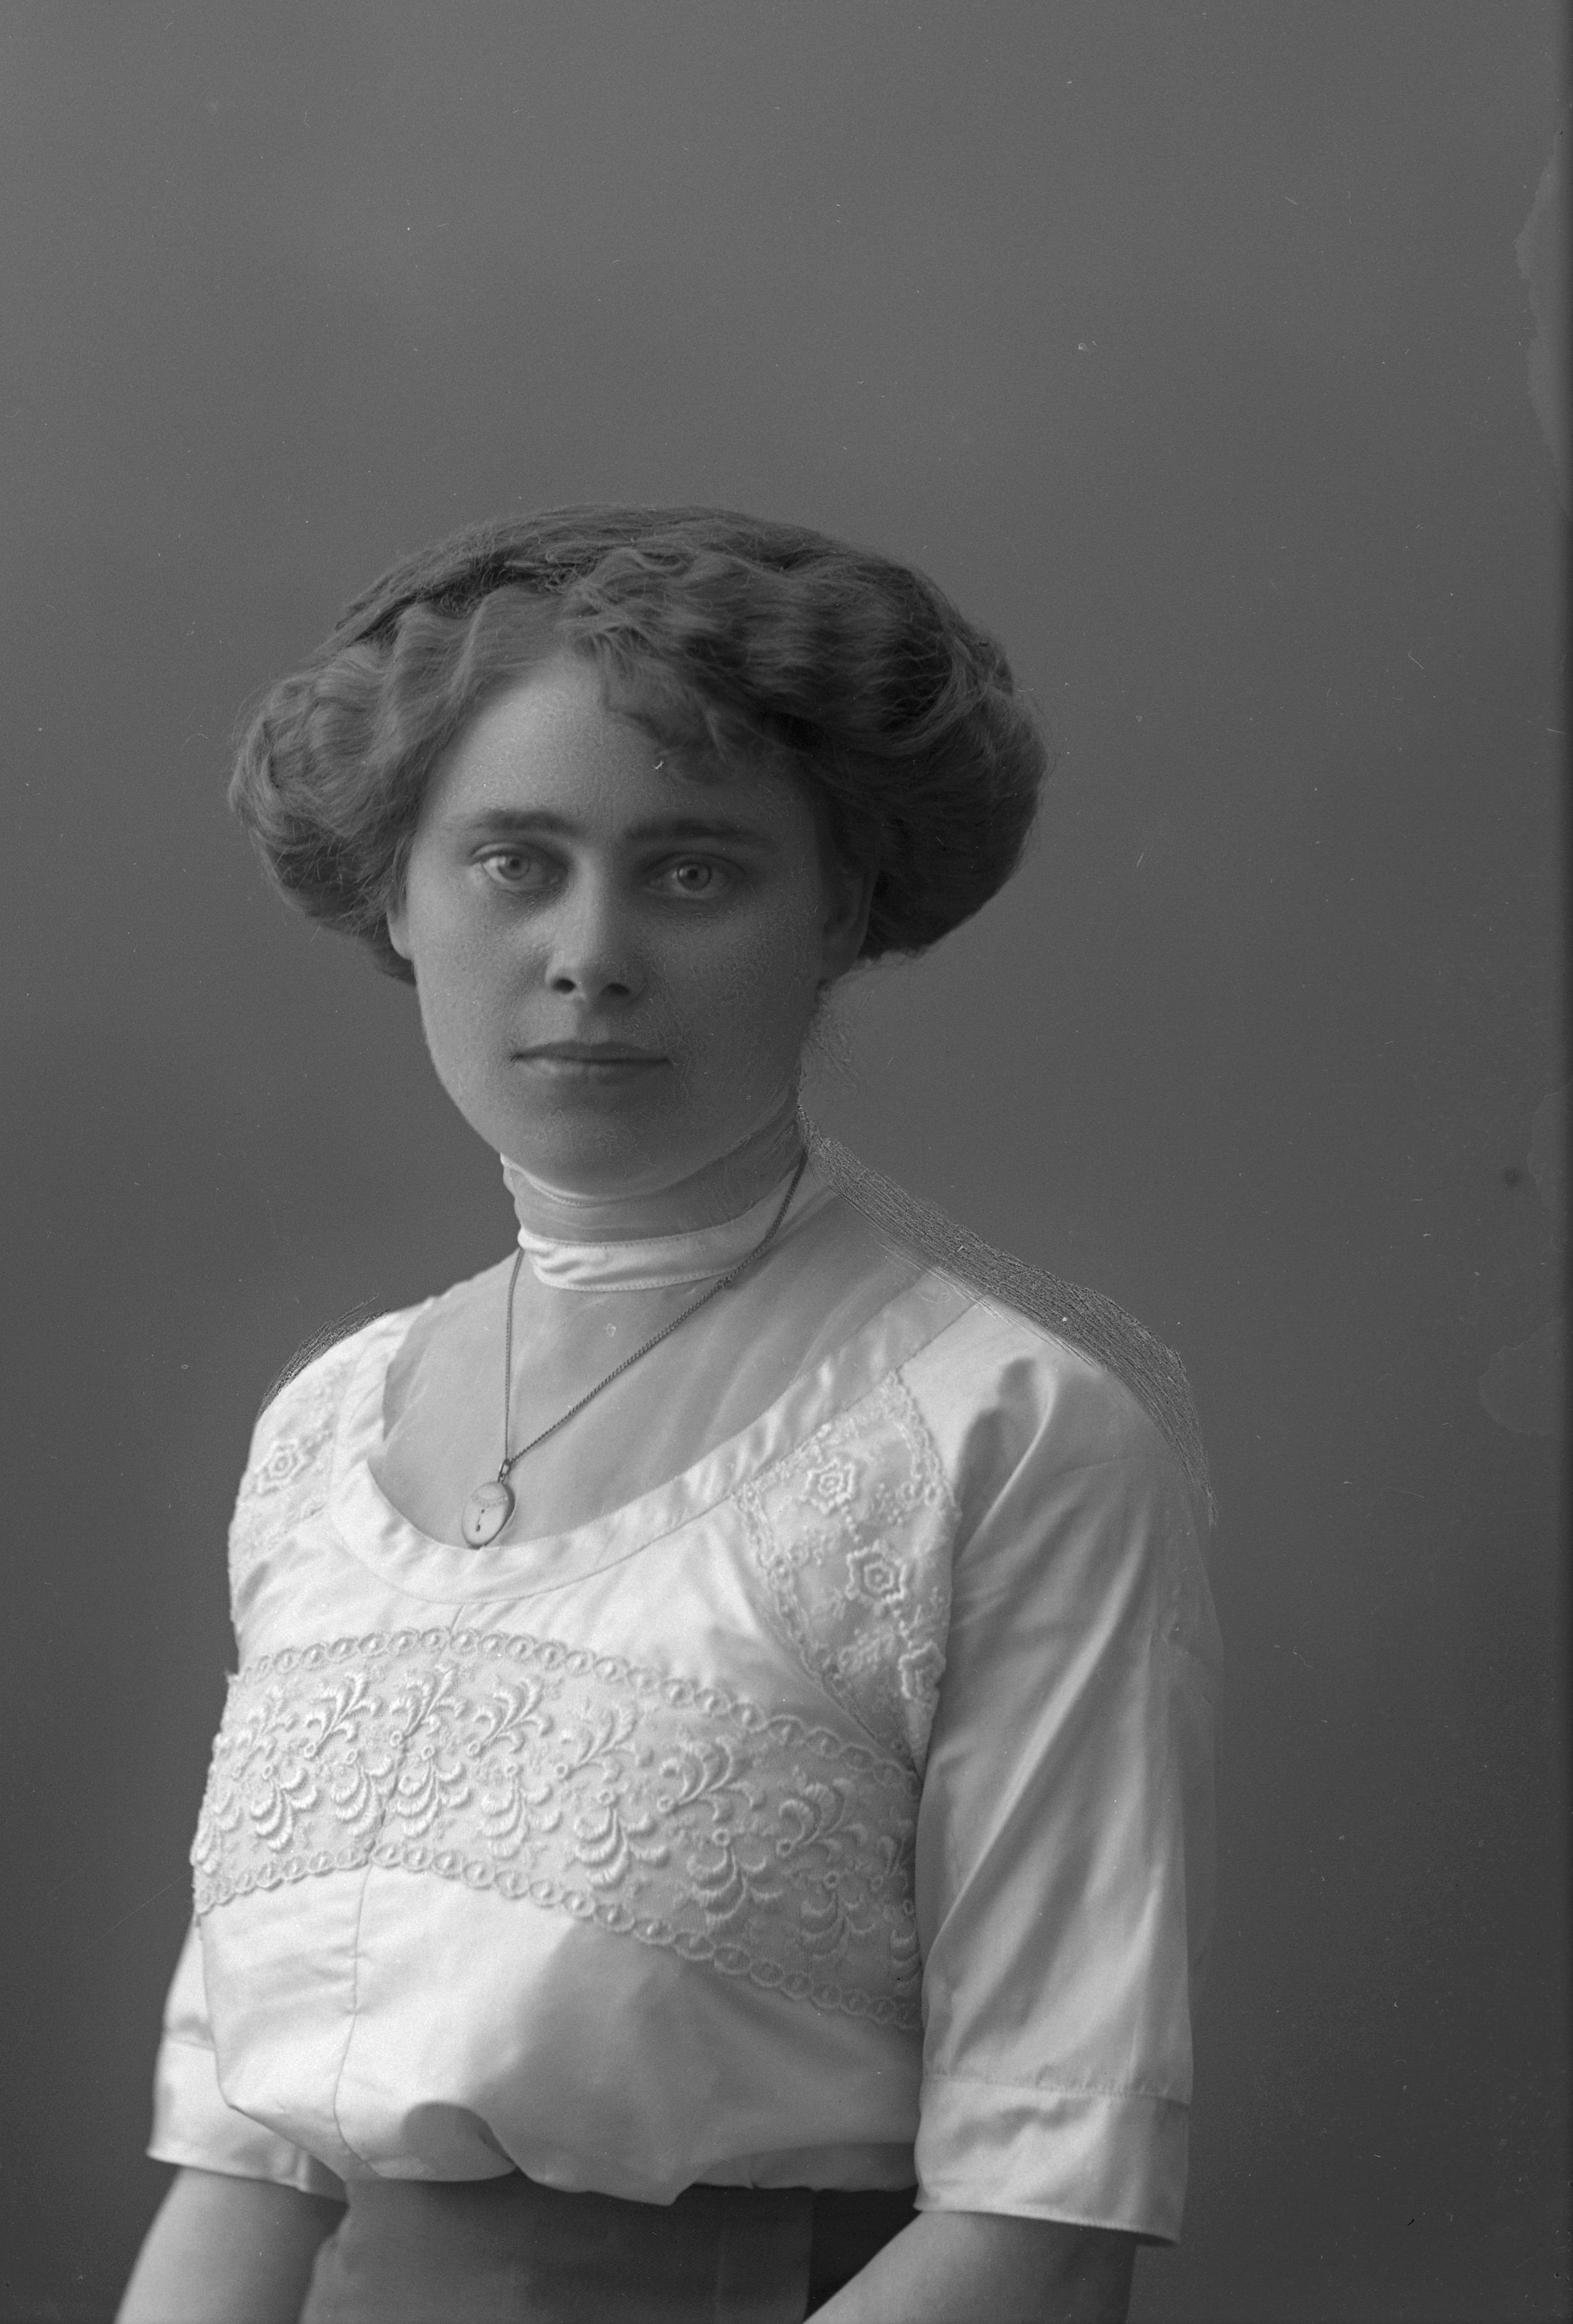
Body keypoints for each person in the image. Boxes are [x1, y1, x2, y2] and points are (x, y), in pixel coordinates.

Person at [117, 506, 1220, 2324]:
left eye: (694, 871)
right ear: (396, 894)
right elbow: (241, 2175)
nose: (590, 953)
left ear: (838, 910)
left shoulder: (1007, 1435)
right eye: (512, 862)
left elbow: (1044, 2214)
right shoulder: (323, 1431)